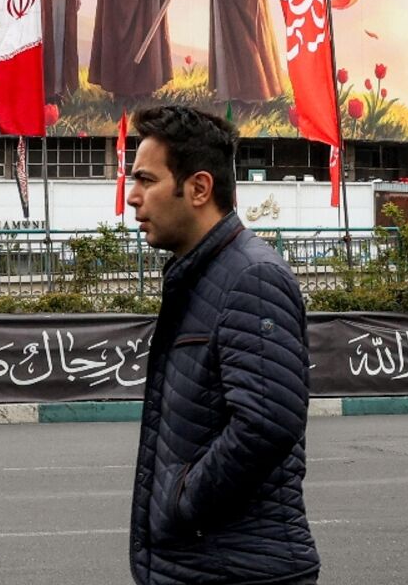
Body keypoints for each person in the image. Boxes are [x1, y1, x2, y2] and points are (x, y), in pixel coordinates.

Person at [125, 105, 320, 585]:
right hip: (203, 563)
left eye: (146, 180)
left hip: (239, 569)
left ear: (199, 188)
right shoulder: (200, 274)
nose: (132, 197)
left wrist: (183, 501)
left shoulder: (252, 277)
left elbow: (267, 422)